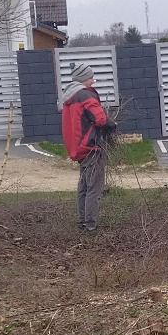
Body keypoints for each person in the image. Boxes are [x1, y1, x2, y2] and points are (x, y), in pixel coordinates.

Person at [60, 66, 115, 231]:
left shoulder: (70, 96)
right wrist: (112, 124)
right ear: (84, 78)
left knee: (83, 186)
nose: (93, 81)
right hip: (91, 147)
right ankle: (90, 225)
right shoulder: (85, 95)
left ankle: (83, 221)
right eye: (91, 78)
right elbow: (100, 119)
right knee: (94, 187)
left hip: (78, 148)